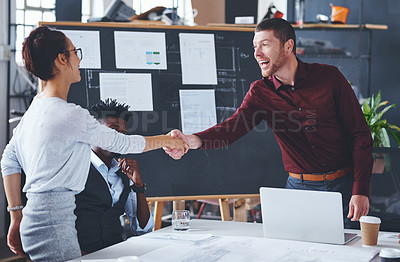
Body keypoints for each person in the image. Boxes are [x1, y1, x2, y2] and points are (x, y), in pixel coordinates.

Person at [1, 26, 187, 262]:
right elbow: (121, 142)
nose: (78, 58)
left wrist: (16, 216)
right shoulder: (69, 113)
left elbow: (9, 160)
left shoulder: (36, 108)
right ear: (61, 59)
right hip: (55, 224)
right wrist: (168, 140)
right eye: (75, 51)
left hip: (33, 219)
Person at [164, 18, 373, 225]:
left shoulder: (329, 78)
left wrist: (360, 189)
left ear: (288, 46)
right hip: (299, 192)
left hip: (344, 191)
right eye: (255, 47)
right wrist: (190, 140)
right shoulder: (260, 92)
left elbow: (360, 134)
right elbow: (230, 129)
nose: (256, 53)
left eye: (265, 44)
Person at [75, 99, 154, 254]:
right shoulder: (73, 166)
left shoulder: (123, 172)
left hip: (115, 252)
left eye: (124, 134)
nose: (120, 138)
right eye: (113, 130)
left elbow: (143, 228)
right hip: (80, 255)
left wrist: (138, 186)